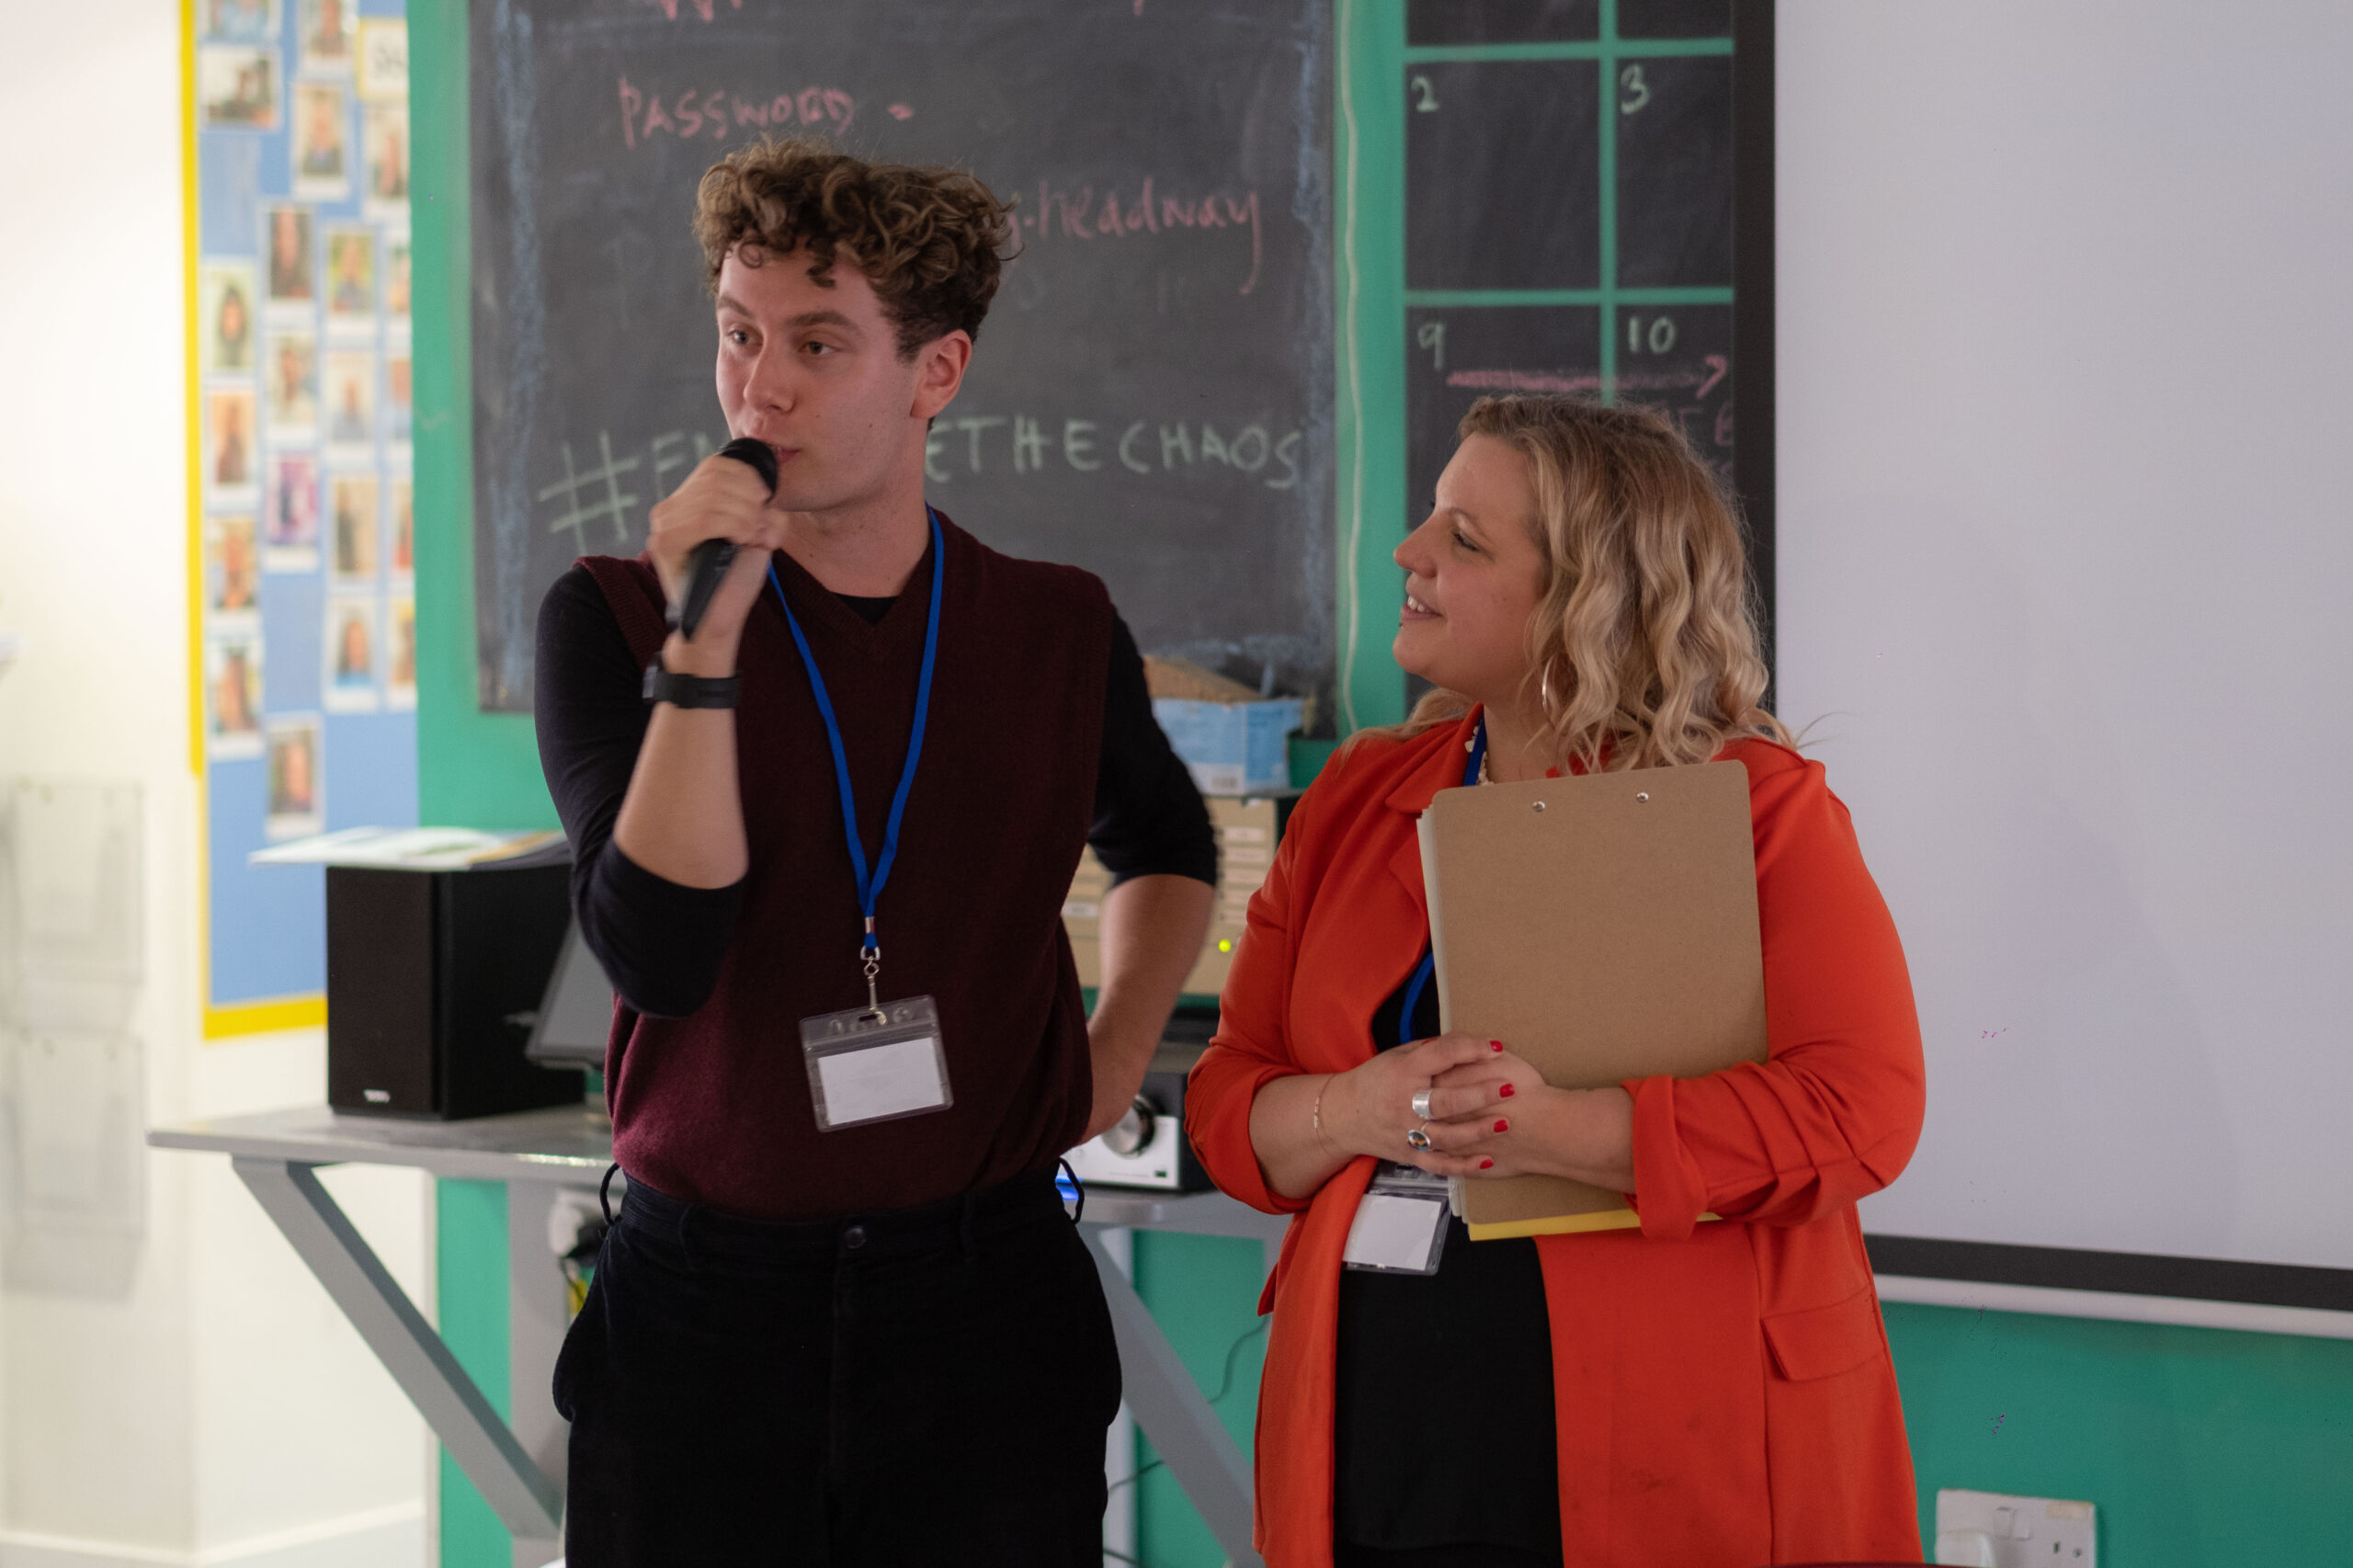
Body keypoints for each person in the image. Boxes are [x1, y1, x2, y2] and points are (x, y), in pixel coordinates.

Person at [533, 137, 1218, 1564]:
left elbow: (1165, 843)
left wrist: (1108, 1058)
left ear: (936, 373)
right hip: (704, 1307)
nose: (758, 387)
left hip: (981, 1296)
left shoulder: (1051, 624)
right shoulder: (611, 617)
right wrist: (704, 648)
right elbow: (658, 953)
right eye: (738, 333)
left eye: (818, 343)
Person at [1186, 396, 1927, 1568]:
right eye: (1430, 519)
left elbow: (1859, 1112)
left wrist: (1551, 1129)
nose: (1408, 552)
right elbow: (1232, 1106)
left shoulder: (1754, 807)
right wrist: (1357, 1108)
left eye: (1463, 539)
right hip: (1380, 1433)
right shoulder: (1356, 795)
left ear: (1589, 596)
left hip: (1684, 1437)